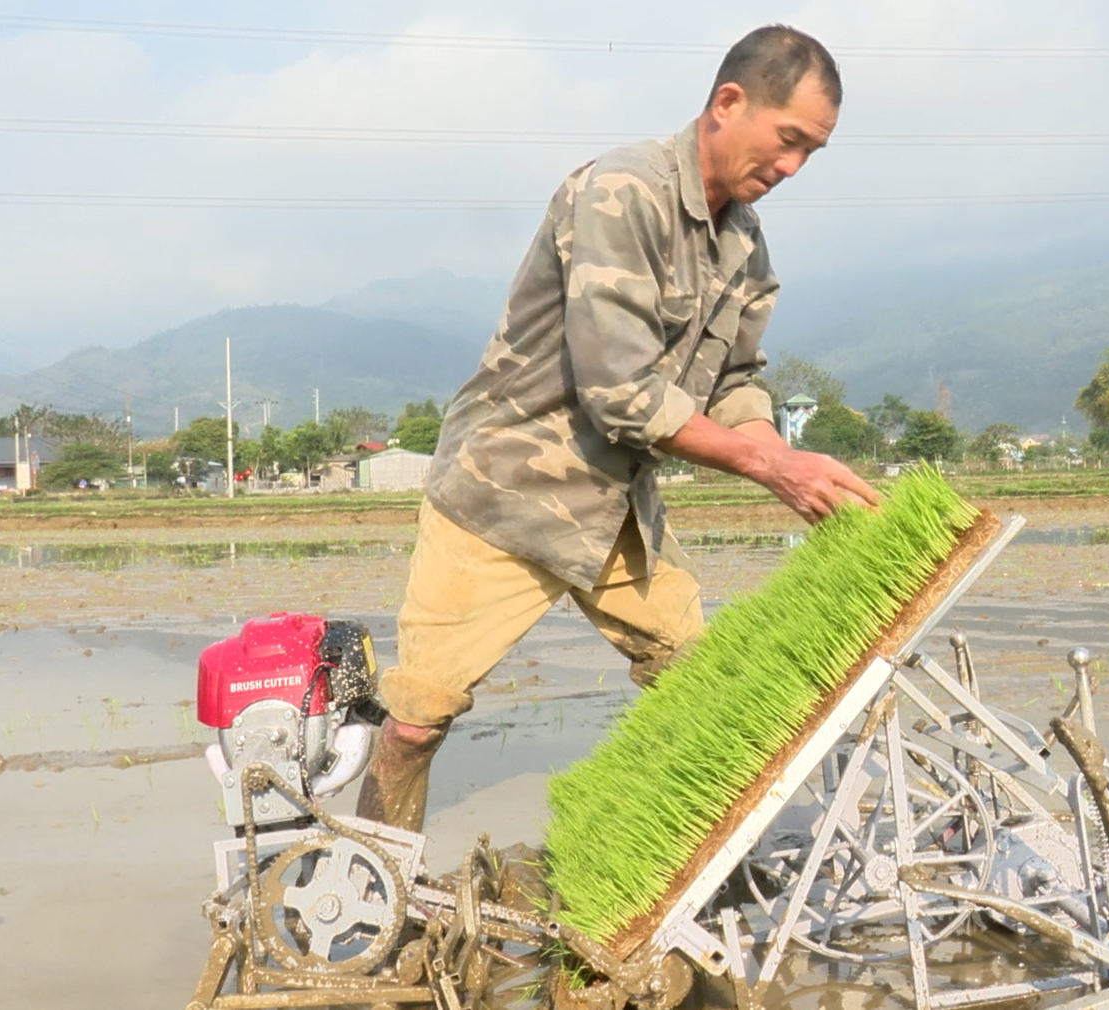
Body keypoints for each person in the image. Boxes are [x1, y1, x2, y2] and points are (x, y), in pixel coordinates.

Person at [359, 25, 877, 832]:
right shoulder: (621, 193)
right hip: (506, 492)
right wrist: (772, 471)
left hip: (611, 506)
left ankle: (669, 875)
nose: (790, 169)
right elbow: (621, 393)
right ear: (728, 103)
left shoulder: (741, 239)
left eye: (811, 153)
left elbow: (736, 380)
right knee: (421, 715)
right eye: (788, 141)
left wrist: (791, 461)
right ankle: (366, 893)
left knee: (697, 679)